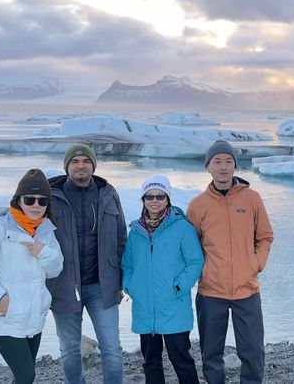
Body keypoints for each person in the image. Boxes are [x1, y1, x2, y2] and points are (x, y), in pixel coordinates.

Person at [186, 140, 274, 384]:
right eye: (217, 162)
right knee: (211, 354)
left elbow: (265, 236)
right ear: (208, 167)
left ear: (235, 165)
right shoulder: (197, 206)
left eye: (228, 161)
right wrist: (204, 270)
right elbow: (190, 248)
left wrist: (255, 264)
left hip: (247, 289)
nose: (223, 167)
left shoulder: (252, 199)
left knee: (253, 352)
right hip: (211, 290)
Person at [47, 144, 127, 384]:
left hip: (101, 285)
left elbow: (120, 238)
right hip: (64, 285)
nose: (80, 166)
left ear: (93, 165)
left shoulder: (108, 193)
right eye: (75, 161)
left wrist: (119, 281)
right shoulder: (51, 195)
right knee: (70, 349)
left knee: (112, 348)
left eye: (85, 161)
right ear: (67, 166)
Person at [0, 169, 64, 383]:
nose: (36, 205)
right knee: (26, 375)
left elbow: (56, 269)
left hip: (33, 316)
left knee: (25, 376)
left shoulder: (46, 230)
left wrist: (42, 251)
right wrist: (0, 297)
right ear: (18, 200)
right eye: (30, 199)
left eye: (42, 201)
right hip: (4, 315)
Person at [122, 174, 203, 384]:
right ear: (143, 200)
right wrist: (132, 287)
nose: (155, 200)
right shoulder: (136, 232)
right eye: (149, 196)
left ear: (168, 199)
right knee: (151, 362)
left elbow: (195, 262)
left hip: (173, 306)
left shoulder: (182, 228)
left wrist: (178, 286)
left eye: (160, 196)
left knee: (181, 359)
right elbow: (127, 265)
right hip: (145, 309)